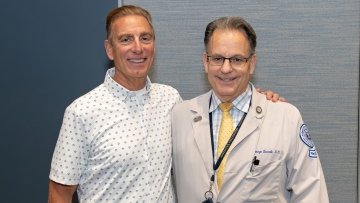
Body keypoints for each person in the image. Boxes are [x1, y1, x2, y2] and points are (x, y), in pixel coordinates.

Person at [48, 5, 282, 203]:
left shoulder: (171, 100)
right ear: (110, 48)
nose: (137, 47)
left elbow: (218, 116)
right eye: (126, 39)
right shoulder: (82, 112)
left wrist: (256, 98)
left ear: (154, 45)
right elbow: (59, 192)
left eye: (145, 38)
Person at [171, 16, 329, 203]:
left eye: (237, 59)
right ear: (206, 62)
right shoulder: (178, 117)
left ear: (252, 63)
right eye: (218, 58)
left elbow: (311, 193)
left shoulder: (286, 118)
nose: (226, 68)